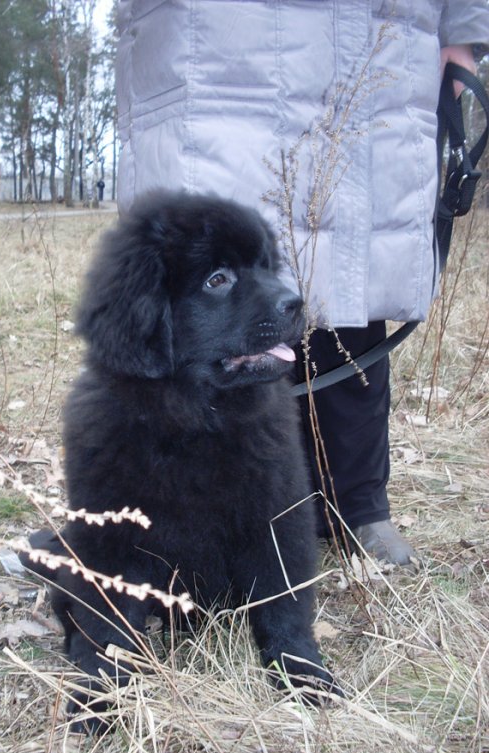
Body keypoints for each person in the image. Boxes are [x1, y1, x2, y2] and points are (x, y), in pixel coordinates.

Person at [114, 2, 489, 565]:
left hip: (380, 41)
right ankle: (163, 516)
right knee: (216, 292)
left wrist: (463, 38)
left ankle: (354, 504)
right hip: (219, 44)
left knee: (356, 279)